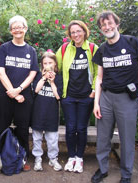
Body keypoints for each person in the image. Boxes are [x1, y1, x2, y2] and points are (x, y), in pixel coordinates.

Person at [91, 11, 138, 183]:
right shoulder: (102, 49)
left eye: (109, 23)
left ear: (117, 24)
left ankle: (126, 175)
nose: (107, 27)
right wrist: (97, 103)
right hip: (107, 98)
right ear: (101, 29)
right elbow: (99, 77)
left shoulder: (131, 42)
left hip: (127, 98)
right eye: (103, 25)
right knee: (103, 138)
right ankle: (102, 170)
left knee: (126, 139)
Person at [0, 15, 39, 171]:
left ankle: (23, 157)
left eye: (20, 27)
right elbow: (0, 71)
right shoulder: (5, 48)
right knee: (2, 126)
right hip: (3, 95)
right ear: (11, 31)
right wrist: (11, 91)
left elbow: (32, 73)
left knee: (23, 128)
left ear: (25, 29)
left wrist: (19, 90)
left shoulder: (31, 50)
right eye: (14, 27)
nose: (17, 30)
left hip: (23, 96)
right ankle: (0, 157)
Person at [56, 20, 98, 173]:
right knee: (70, 128)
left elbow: (98, 73)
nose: (76, 34)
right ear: (70, 35)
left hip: (86, 97)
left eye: (78, 31)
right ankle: (71, 157)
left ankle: (79, 158)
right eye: (73, 32)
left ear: (84, 31)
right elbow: (55, 67)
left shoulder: (93, 49)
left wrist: (93, 91)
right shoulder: (64, 49)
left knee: (81, 128)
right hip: (69, 97)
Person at [31, 51, 63, 172]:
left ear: (55, 63)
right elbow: (36, 90)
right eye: (45, 63)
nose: (48, 65)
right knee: (37, 138)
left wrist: (52, 81)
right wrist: (44, 78)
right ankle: (38, 158)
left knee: (52, 139)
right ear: (42, 65)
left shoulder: (58, 77)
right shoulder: (38, 75)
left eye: (50, 62)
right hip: (38, 113)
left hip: (51, 114)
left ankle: (53, 158)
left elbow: (58, 96)